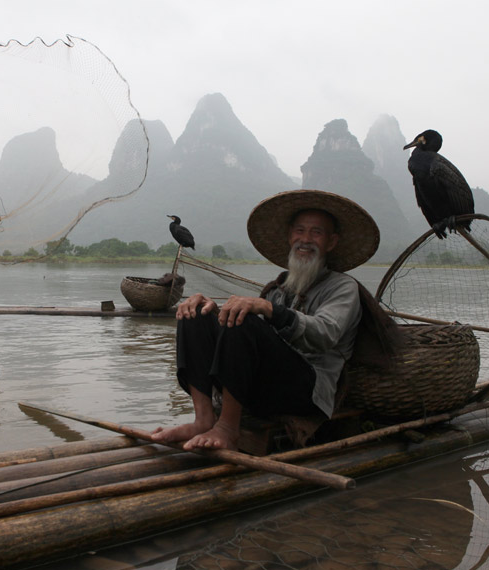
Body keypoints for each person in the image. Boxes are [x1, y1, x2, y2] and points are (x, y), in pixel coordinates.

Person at [152, 190, 388, 452]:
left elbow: (326, 333)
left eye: (316, 233)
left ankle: (228, 428)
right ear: (290, 236)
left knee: (245, 318)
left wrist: (268, 309)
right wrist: (213, 308)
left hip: (305, 393)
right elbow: (247, 338)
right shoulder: (278, 289)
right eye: (299, 231)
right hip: (261, 387)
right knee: (194, 312)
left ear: (331, 242)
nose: (305, 239)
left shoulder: (342, 287)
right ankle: (203, 419)